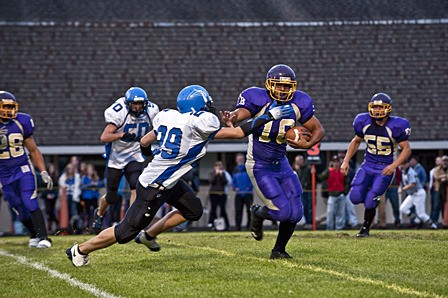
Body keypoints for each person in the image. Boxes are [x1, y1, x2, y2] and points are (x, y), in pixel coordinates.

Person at [66, 84, 293, 266]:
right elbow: (238, 132)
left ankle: (150, 235)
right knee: (125, 232)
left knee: (192, 210)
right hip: (155, 184)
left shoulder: (168, 116)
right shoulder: (200, 123)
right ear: (198, 107)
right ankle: (79, 249)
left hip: (168, 179)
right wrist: (269, 115)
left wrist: (151, 156)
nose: (210, 109)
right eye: (206, 105)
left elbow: (145, 141)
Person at [221, 64, 325, 259]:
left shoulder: (300, 102)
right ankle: (258, 213)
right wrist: (233, 117)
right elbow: (240, 113)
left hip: (282, 163)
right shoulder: (257, 98)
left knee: (296, 213)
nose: (282, 90)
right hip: (259, 165)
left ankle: (278, 250)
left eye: (287, 86)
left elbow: (319, 130)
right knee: (282, 211)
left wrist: (306, 145)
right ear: (269, 84)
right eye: (278, 85)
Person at [340, 92, 412, 237]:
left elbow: (407, 149)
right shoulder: (363, 121)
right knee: (354, 197)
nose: (377, 110)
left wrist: (393, 166)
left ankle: (365, 229)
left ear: (387, 109)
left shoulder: (396, 125)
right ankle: (372, 199)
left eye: (381, 107)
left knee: (369, 200)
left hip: (384, 167)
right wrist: (346, 160)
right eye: (375, 107)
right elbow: (356, 141)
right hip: (368, 164)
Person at [92, 87, 159, 234]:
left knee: (135, 186)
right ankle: (99, 214)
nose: (137, 107)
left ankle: (130, 222)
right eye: (134, 104)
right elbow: (104, 137)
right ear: (128, 103)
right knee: (111, 197)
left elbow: (158, 129)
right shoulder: (119, 112)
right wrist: (121, 135)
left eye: (140, 104)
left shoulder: (151, 111)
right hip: (116, 157)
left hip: (134, 155)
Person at [0, 91, 53, 248]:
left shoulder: (21, 122)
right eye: (5, 107)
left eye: (11, 106)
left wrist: (43, 171)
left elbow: (34, 150)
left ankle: (44, 237)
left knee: (29, 201)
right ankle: (34, 234)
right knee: (18, 207)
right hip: (3, 173)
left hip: (22, 168)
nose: (9, 110)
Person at [399, 159, 438, 229]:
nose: (403, 165)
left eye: (404, 163)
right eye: (402, 164)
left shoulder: (411, 172)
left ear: (408, 164)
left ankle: (433, 225)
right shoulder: (403, 171)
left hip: (418, 193)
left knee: (421, 214)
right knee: (403, 208)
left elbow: (412, 184)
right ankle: (417, 220)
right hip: (412, 194)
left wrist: (403, 189)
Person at [318, 155, 347, 230]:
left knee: (341, 213)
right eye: (334, 162)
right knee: (330, 212)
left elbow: (347, 182)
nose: (336, 163)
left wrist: (345, 191)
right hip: (332, 195)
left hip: (341, 194)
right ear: (332, 163)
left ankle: (339, 228)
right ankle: (329, 228)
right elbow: (320, 177)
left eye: (337, 162)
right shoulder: (329, 171)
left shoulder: (342, 170)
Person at [207, 161, 232, 231]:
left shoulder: (223, 173)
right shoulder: (212, 173)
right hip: (213, 194)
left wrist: (221, 175)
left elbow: (225, 182)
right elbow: (211, 181)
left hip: (222, 194)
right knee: (213, 209)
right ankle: (211, 223)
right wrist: (216, 175)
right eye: (217, 166)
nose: (219, 168)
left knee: (223, 210)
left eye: (220, 166)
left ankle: (225, 224)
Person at [232, 153, 254, 231]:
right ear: (236, 160)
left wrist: (249, 187)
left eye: (241, 158)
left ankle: (249, 226)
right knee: (238, 211)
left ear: (244, 159)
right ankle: (238, 227)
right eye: (238, 159)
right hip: (239, 194)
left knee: (249, 211)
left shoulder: (247, 168)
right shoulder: (235, 169)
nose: (240, 160)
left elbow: (252, 179)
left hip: (248, 194)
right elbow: (233, 181)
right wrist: (234, 187)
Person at [292, 154, 313, 229]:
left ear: (302, 160)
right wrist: (297, 170)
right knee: (304, 207)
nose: (297, 163)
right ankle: (306, 222)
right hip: (301, 191)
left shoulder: (308, 168)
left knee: (310, 207)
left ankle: (310, 222)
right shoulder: (297, 170)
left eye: (298, 161)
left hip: (309, 190)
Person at [434, 155, 448, 228]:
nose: (445, 162)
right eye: (444, 161)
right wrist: (444, 176)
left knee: (445, 207)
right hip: (438, 189)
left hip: (446, 190)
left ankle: (445, 222)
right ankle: (434, 223)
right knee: (436, 206)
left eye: (446, 161)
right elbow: (436, 176)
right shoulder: (437, 169)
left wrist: (444, 177)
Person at [429, 156, 443, 223]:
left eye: (440, 160)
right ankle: (433, 220)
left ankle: (442, 220)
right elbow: (432, 180)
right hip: (434, 189)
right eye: (437, 161)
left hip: (441, 189)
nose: (439, 162)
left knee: (440, 205)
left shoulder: (443, 170)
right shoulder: (432, 170)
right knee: (434, 205)